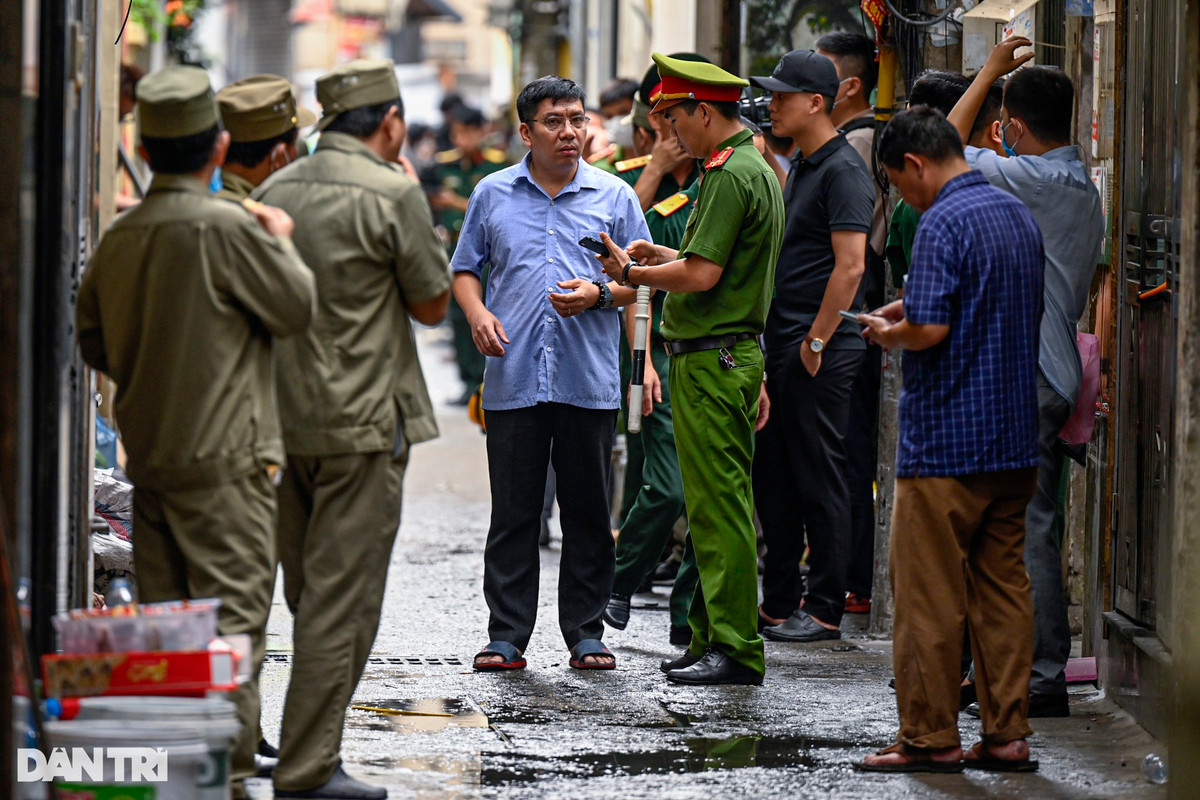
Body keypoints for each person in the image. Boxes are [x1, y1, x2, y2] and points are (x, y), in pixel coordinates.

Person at [75, 65, 315, 794]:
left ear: (144, 149)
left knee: (170, 634)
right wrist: (281, 238)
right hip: (230, 468)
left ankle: (181, 777)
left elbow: (94, 345)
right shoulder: (233, 229)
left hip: (152, 467)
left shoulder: (121, 237)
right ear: (217, 147)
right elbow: (295, 310)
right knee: (231, 633)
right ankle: (228, 778)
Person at [253, 59, 452, 800]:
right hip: (362, 425)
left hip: (281, 422)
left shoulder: (274, 190)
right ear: (390, 122)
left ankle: (294, 746)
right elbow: (431, 305)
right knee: (342, 602)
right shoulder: (392, 191)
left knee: (310, 595)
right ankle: (308, 769)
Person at [858, 107, 1044, 773]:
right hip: (1014, 439)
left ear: (914, 164)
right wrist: (910, 309)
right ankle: (1007, 735)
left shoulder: (941, 220)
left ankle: (930, 737)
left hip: (946, 443)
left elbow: (932, 330)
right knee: (1003, 591)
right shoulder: (1015, 213)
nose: (902, 197)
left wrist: (891, 332)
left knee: (929, 596)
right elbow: (978, 305)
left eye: (896, 182)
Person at [451, 76, 650, 673]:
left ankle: (586, 633)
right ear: (526, 132)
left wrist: (599, 294)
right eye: (554, 121)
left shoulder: (615, 196)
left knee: (587, 511)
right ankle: (506, 635)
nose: (570, 131)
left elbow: (641, 281)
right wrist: (478, 312)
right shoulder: (492, 194)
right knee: (513, 513)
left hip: (586, 378)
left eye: (577, 119)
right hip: (512, 376)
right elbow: (465, 269)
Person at [597, 52, 784, 686]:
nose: (670, 132)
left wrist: (632, 272)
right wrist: (661, 254)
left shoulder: (731, 174)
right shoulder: (744, 167)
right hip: (722, 355)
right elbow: (714, 262)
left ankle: (735, 646)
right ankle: (710, 637)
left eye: (675, 118)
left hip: (713, 358)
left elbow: (702, 276)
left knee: (720, 509)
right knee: (710, 508)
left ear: (703, 112)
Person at [948, 37, 1105, 719]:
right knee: (1018, 526)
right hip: (1050, 370)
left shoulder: (1034, 181)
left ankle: (1039, 676)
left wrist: (988, 70)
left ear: (1012, 126)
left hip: (1029, 373)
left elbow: (941, 145)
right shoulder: (1078, 188)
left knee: (1023, 530)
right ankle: (1010, 667)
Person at [748, 50, 874, 642]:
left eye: (782, 96)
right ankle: (778, 601)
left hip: (818, 345)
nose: (772, 106)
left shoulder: (844, 169)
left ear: (816, 102)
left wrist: (816, 342)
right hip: (786, 341)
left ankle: (824, 607)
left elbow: (850, 267)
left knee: (821, 477)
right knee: (774, 475)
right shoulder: (803, 162)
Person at [815, 31, 885, 614]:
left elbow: (851, 260)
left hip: (849, 325)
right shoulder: (835, 148)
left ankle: (850, 580)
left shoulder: (853, 148)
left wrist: (816, 339)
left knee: (847, 456)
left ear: (849, 86)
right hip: (844, 324)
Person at [432, 104, 509, 405]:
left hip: (487, 254)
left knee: (487, 311)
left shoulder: (497, 165)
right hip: (453, 248)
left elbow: (497, 210)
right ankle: (467, 382)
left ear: (481, 132)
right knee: (458, 315)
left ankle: (484, 380)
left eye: (467, 133)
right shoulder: (444, 165)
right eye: (457, 134)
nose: (461, 140)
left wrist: (455, 202)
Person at [214, 75, 315, 203]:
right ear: (279, 157)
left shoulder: (205, 199)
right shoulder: (262, 212)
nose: (296, 151)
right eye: (293, 144)